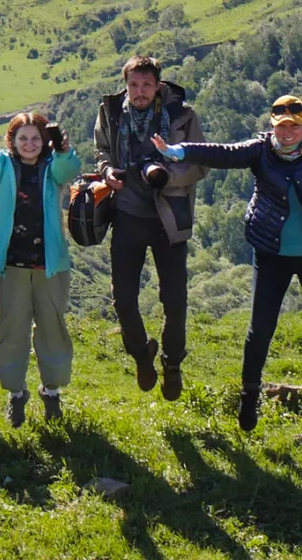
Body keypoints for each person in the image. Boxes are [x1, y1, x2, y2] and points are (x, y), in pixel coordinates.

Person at [151, 94, 302, 436]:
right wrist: (179, 152)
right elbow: (224, 154)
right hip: (271, 251)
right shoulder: (261, 150)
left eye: (294, 127)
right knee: (260, 330)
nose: (287, 133)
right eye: (281, 127)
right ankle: (248, 398)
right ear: (272, 127)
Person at [0, 90, 81, 427]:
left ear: (45, 142)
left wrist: (63, 150)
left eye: (36, 138)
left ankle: (51, 391)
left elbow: (70, 168)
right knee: (12, 328)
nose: (29, 144)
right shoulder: (2, 166)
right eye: (22, 138)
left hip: (50, 264)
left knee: (52, 327)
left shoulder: (53, 168)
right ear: (12, 140)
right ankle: (16, 394)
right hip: (10, 262)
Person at [93, 55, 206, 399]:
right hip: (127, 214)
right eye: (133, 85)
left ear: (158, 85)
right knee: (123, 298)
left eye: (146, 85)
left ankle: (172, 364)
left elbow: (200, 163)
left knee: (174, 299)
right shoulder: (111, 112)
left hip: (169, 216)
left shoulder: (182, 115)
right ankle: (142, 355)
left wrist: (167, 175)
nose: (139, 91)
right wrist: (107, 172)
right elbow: (102, 151)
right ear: (125, 84)